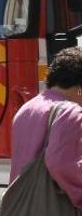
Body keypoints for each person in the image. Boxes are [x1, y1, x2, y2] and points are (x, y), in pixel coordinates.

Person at [10, 47, 82, 203]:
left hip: (20, 212)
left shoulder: (27, 108)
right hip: (52, 215)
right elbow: (61, 164)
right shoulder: (70, 112)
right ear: (80, 89)